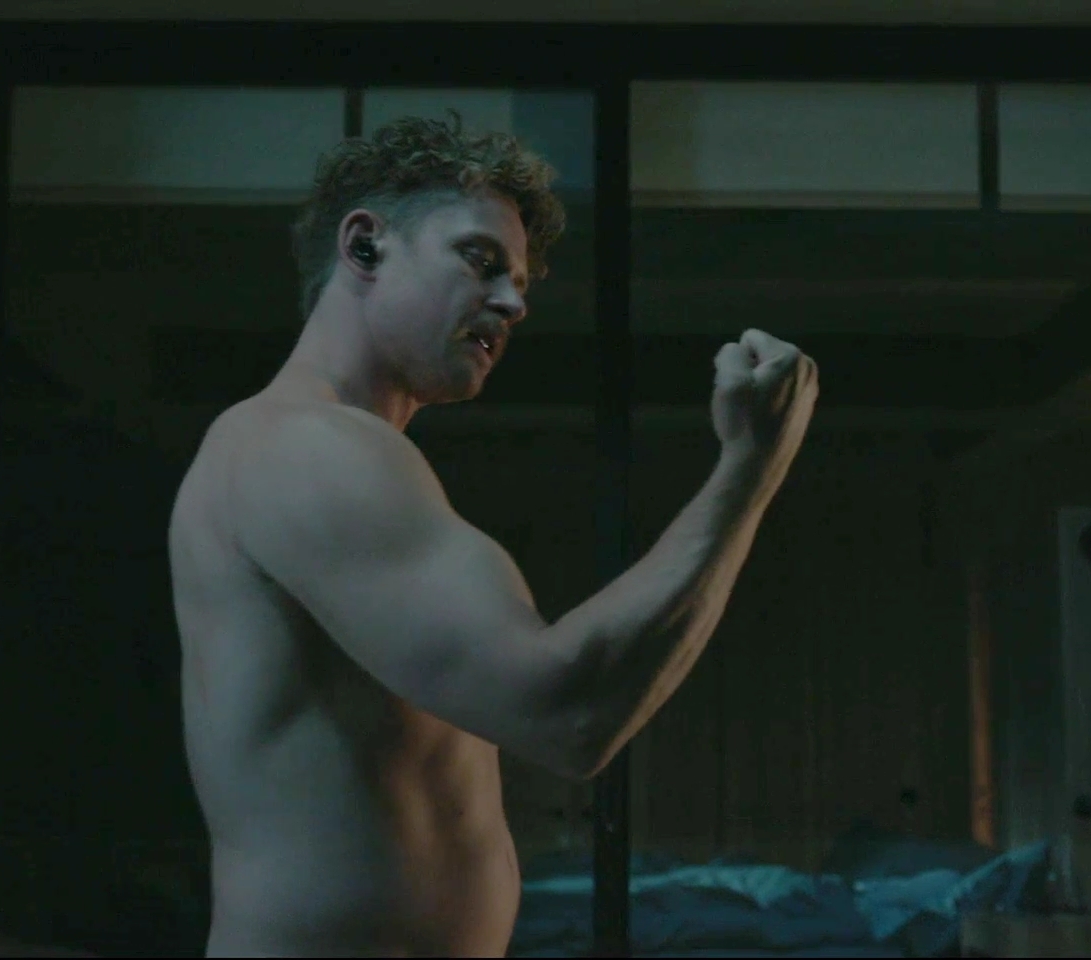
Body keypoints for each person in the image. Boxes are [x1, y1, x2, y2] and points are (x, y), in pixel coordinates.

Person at [167, 113, 818, 958]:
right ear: (364, 246)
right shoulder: (303, 450)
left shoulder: (334, 454)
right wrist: (749, 469)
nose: (513, 303)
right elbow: (568, 713)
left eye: (518, 282)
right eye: (479, 260)